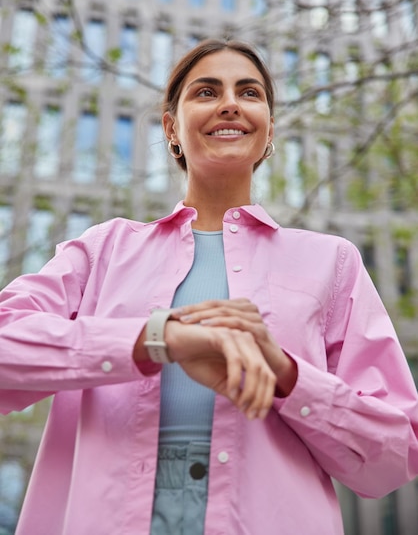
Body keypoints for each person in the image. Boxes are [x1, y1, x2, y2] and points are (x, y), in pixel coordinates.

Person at [1, 39, 418, 535]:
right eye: (206, 91)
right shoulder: (103, 250)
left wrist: (286, 374)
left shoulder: (333, 261)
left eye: (249, 92)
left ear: (268, 131)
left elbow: (393, 456)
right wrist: (160, 338)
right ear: (171, 127)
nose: (230, 103)